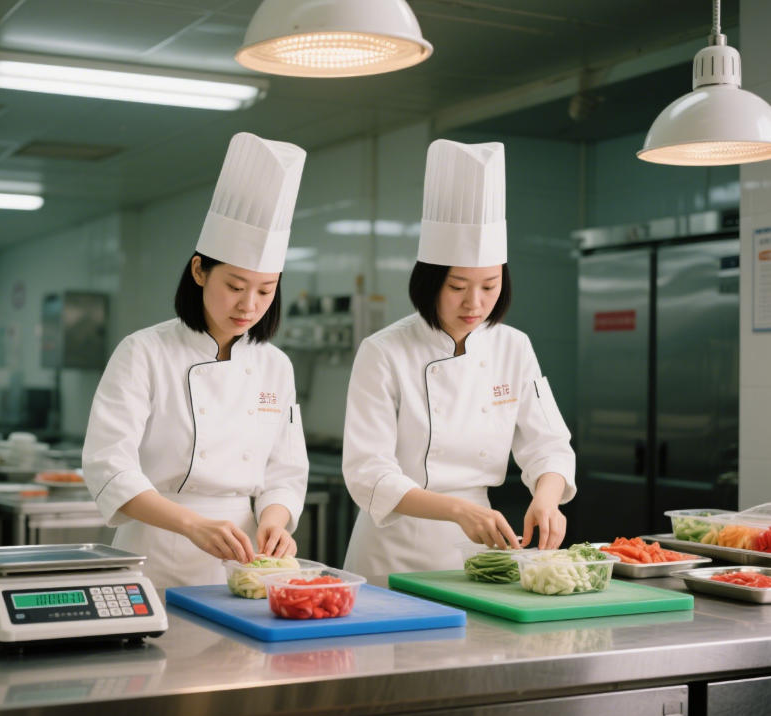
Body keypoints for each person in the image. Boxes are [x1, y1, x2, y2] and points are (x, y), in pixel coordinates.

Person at [341, 139, 577, 578]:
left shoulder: (514, 346)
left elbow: (548, 444)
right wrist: (455, 510)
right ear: (428, 282)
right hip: (393, 549)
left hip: (481, 550)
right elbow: (367, 471)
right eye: (456, 286)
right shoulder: (383, 351)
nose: (475, 302)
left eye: (489, 286)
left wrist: (546, 497)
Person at [83, 132, 309, 587]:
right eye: (235, 285)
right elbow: (109, 467)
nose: (249, 304)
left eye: (266, 290)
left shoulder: (275, 365)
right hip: (156, 549)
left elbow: (284, 472)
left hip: (245, 559)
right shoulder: (143, 351)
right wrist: (189, 524)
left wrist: (276, 520)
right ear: (200, 270)